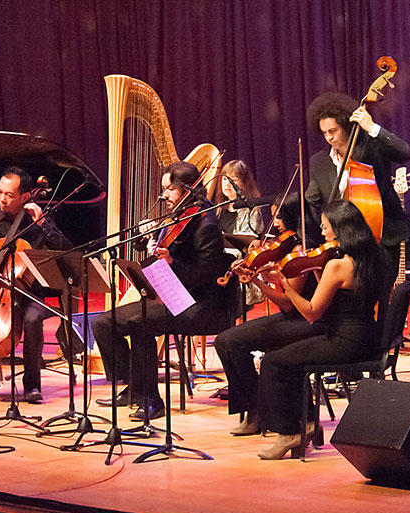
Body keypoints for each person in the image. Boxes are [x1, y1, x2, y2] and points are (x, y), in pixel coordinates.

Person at [91, 161, 232, 420]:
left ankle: (152, 400)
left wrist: (172, 263)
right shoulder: (177, 218)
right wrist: (150, 242)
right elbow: (164, 256)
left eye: (169, 189)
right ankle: (133, 386)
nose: (163, 195)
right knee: (103, 322)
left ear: (188, 191)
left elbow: (205, 276)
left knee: (140, 322)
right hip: (170, 297)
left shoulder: (205, 224)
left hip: (199, 304)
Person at [255, 199, 383, 459]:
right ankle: (307, 424)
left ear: (340, 228)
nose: (322, 233)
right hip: (367, 337)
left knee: (273, 362)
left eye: (326, 227)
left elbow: (313, 313)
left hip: (345, 342)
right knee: (289, 358)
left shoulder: (339, 265)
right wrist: (315, 271)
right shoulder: (373, 257)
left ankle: (291, 432)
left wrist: (284, 284)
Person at [0, 167, 73, 404]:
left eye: (9, 194)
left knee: (31, 320)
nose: (2, 198)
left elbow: (66, 250)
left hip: (30, 295)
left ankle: (32, 385)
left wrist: (43, 225)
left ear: (26, 197)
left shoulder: (39, 221)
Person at [214, 192, 318, 436]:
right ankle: (255, 409)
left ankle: (260, 412)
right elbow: (282, 280)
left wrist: (259, 282)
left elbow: (288, 304)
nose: (277, 225)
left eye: (280, 218)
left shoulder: (303, 250)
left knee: (233, 342)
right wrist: (260, 272)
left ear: (295, 217)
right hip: (294, 318)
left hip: (307, 321)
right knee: (225, 341)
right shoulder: (288, 246)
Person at [303, 92, 410, 285]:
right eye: (324, 133)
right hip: (343, 243)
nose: (328, 137)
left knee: (383, 298)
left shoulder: (372, 149)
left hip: (381, 238)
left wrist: (371, 127)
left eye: (333, 131)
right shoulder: (319, 162)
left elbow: (404, 153)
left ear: (345, 126)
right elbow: (313, 200)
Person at [214, 160, 265, 240]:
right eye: (224, 179)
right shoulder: (219, 208)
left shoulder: (252, 210)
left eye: (233, 180)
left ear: (244, 183)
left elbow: (247, 241)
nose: (227, 184)